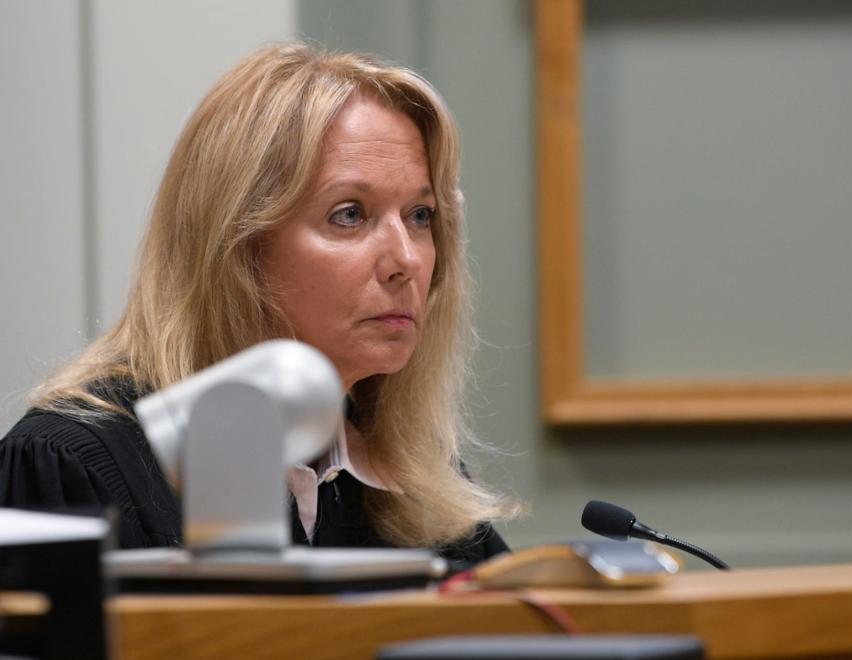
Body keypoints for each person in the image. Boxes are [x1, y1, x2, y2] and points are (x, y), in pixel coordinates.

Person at [0, 43, 516, 566]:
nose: (406, 259)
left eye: (420, 216)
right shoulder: (74, 464)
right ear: (238, 250)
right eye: (350, 214)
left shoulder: (406, 476)